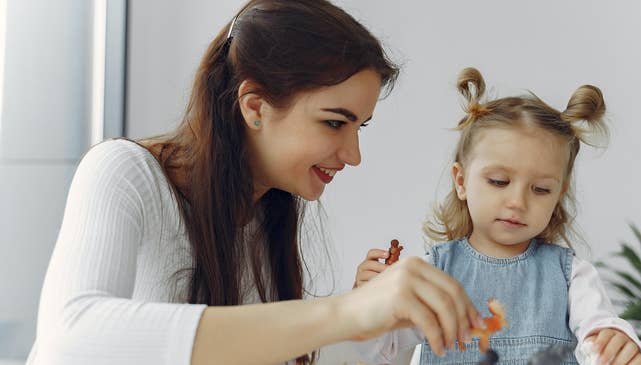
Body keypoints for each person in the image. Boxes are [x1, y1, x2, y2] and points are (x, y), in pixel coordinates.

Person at [26, 2, 485, 364]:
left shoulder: (269, 212)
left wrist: (380, 328)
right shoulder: (123, 172)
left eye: (358, 127)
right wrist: (346, 314)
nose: (353, 155)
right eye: (333, 123)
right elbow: (72, 338)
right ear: (255, 106)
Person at [352, 67, 641, 365]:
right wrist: (368, 304)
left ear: (559, 193)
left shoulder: (571, 277)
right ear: (462, 181)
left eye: (541, 189)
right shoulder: (435, 274)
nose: (518, 202)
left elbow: (599, 330)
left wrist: (615, 340)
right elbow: (381, 351)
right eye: (499, 182)